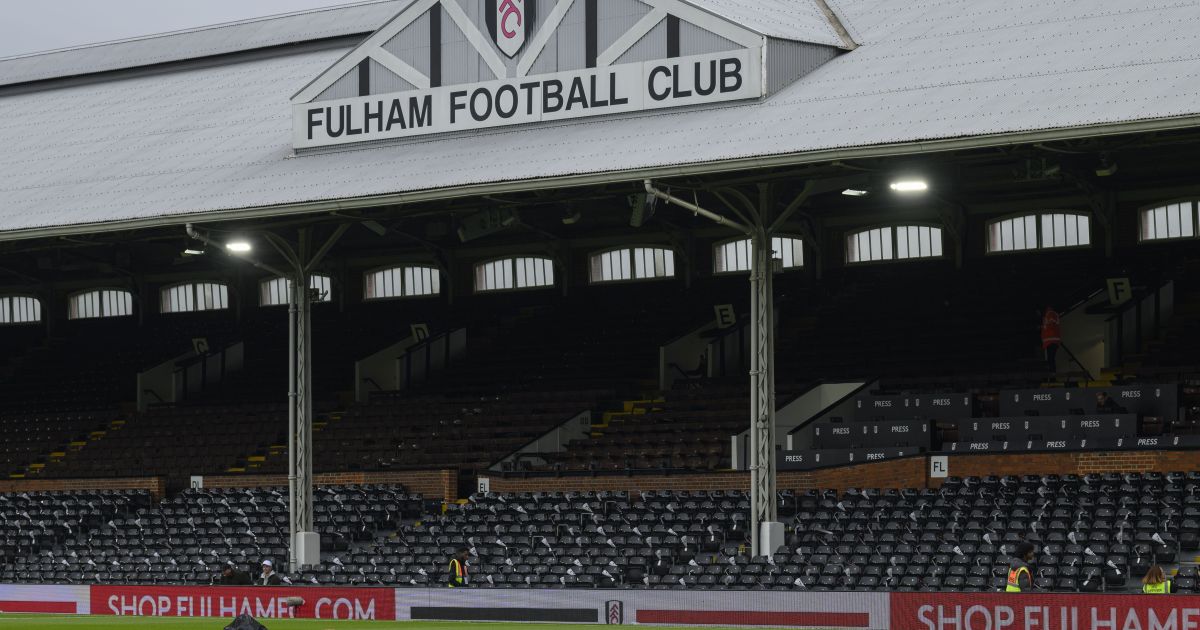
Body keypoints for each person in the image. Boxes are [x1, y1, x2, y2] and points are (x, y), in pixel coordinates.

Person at [1040, 307, 1062, 373]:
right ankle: (1052, 374)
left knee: (1051, 359)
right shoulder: (1050, 314)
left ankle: (1052, 374)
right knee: (1050, 359)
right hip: (1051, 341)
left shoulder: (1050, 314)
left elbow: (1051, 325)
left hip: (1051, 340)